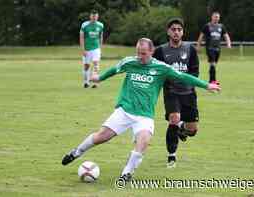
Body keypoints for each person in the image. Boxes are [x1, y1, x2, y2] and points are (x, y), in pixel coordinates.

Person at [61, 38, 221, 181]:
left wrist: (206, 85)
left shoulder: (161, 68)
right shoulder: (129, 62)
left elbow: (183, 77)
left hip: (144, 116)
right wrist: (99, 78)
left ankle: (126, 173)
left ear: (151, 52)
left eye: (144, 53)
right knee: (101, 137)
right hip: (124, 111)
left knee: (144, 141)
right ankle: (76, 152)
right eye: (138, 53)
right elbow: (114, 70)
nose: (140, 56)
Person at [153, 18, 201, 168]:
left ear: (183, 32)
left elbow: (195, 72)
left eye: (179, 29)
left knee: (192, 130)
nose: (176, 32)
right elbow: (154, 70)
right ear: (168, 31)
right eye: (173, 29)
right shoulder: (160, 51)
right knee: (174, 119)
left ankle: (182, 129)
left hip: (188, 93)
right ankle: (171, 156)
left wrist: (187, 82)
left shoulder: (190, 49)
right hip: (171, 91)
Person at [196, 11, 231, 84]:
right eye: (215, 17)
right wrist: (198, 46)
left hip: (218, 48)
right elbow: (201, 36)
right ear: (212, 17)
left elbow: (226, 35)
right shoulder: (207, 26)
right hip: (210, 48)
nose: (216, 18)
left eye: (218, 17)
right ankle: (213, 81)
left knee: (213, 65)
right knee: (213, 64)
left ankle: (211, 79)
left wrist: (228, 44)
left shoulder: (221, 26)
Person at [80, 10, 104, 88]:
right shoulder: (84, 25)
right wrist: (83, 49)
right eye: (93, 16)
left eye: (96, 16)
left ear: (97, 17)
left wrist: (100, 48)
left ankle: (95, 82)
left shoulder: (100, 25)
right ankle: (86, 82)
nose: (94, 18)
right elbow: (81, 37)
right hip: (87, 48)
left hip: (96, 48)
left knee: (96, 64)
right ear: (90, 16)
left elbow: (101, 37)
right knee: (86, 66)